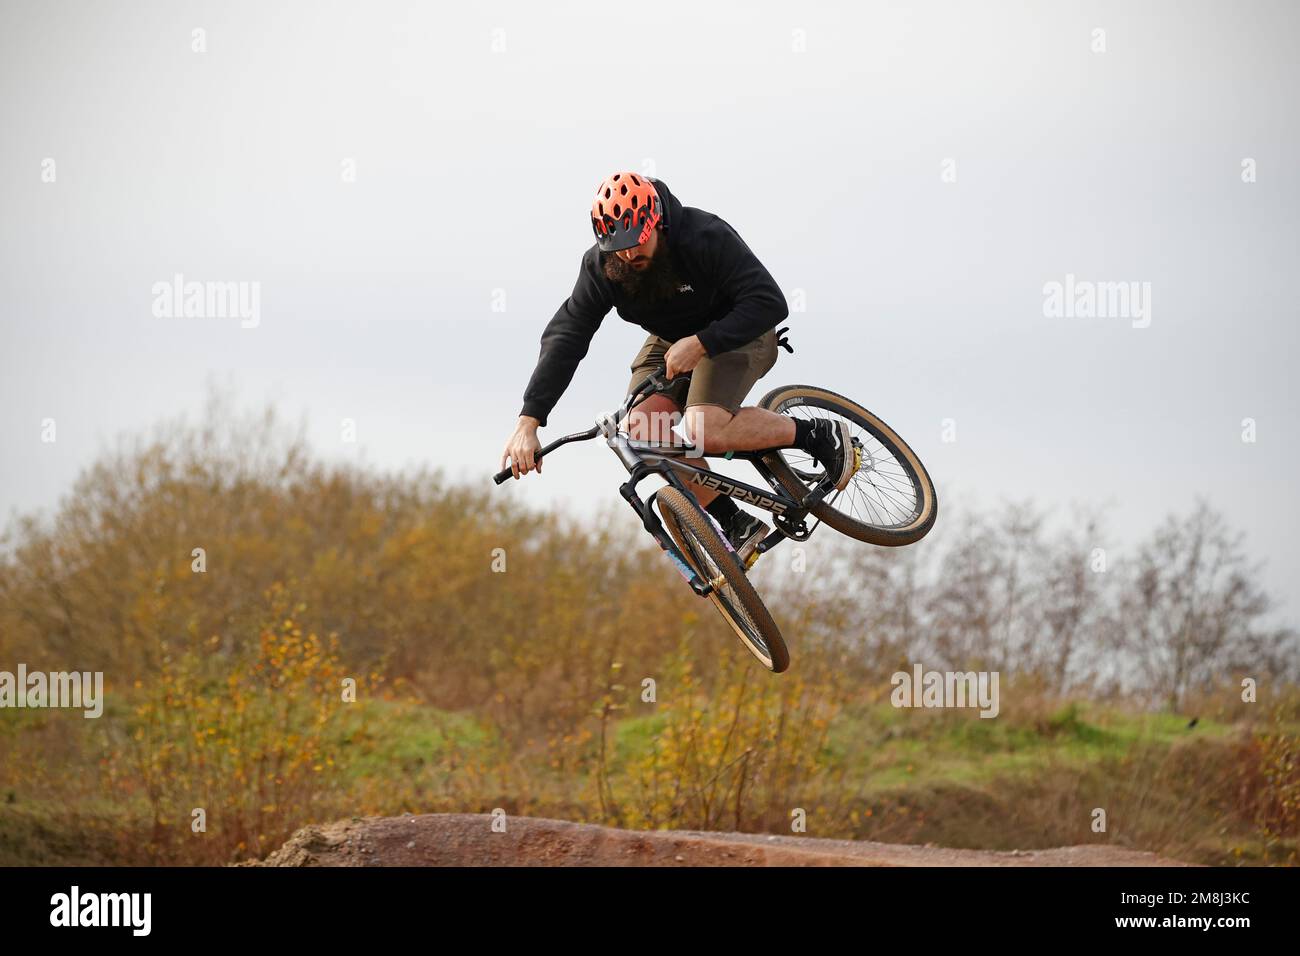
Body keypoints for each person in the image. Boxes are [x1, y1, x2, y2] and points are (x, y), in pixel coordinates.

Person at [501, 171, 852, 564]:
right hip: (672, 340)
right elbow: (568, 335)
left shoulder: (703, 235)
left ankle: (817, 434)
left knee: (705, 429)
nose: (629, 256)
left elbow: (770, 301)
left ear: (657, 226)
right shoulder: (603, 267)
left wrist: (703, 343)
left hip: (739, 329)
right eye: (618, 248)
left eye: (638, 243)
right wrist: (529, 420)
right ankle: (733, 521)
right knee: (643, 434)